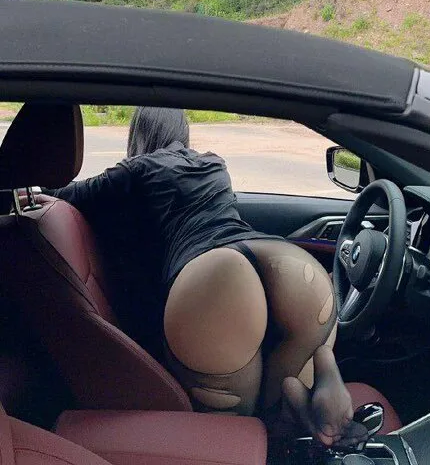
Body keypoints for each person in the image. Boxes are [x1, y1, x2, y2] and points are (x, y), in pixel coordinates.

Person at [47, 107, 355, 446]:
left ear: (137, 133)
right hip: (286, 262)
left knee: (233, 433)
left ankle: (277, 422)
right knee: (280, 423)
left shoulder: (134, 170)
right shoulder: (213, 163)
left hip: (214, 277)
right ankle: (308, 382)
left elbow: (59, 198)